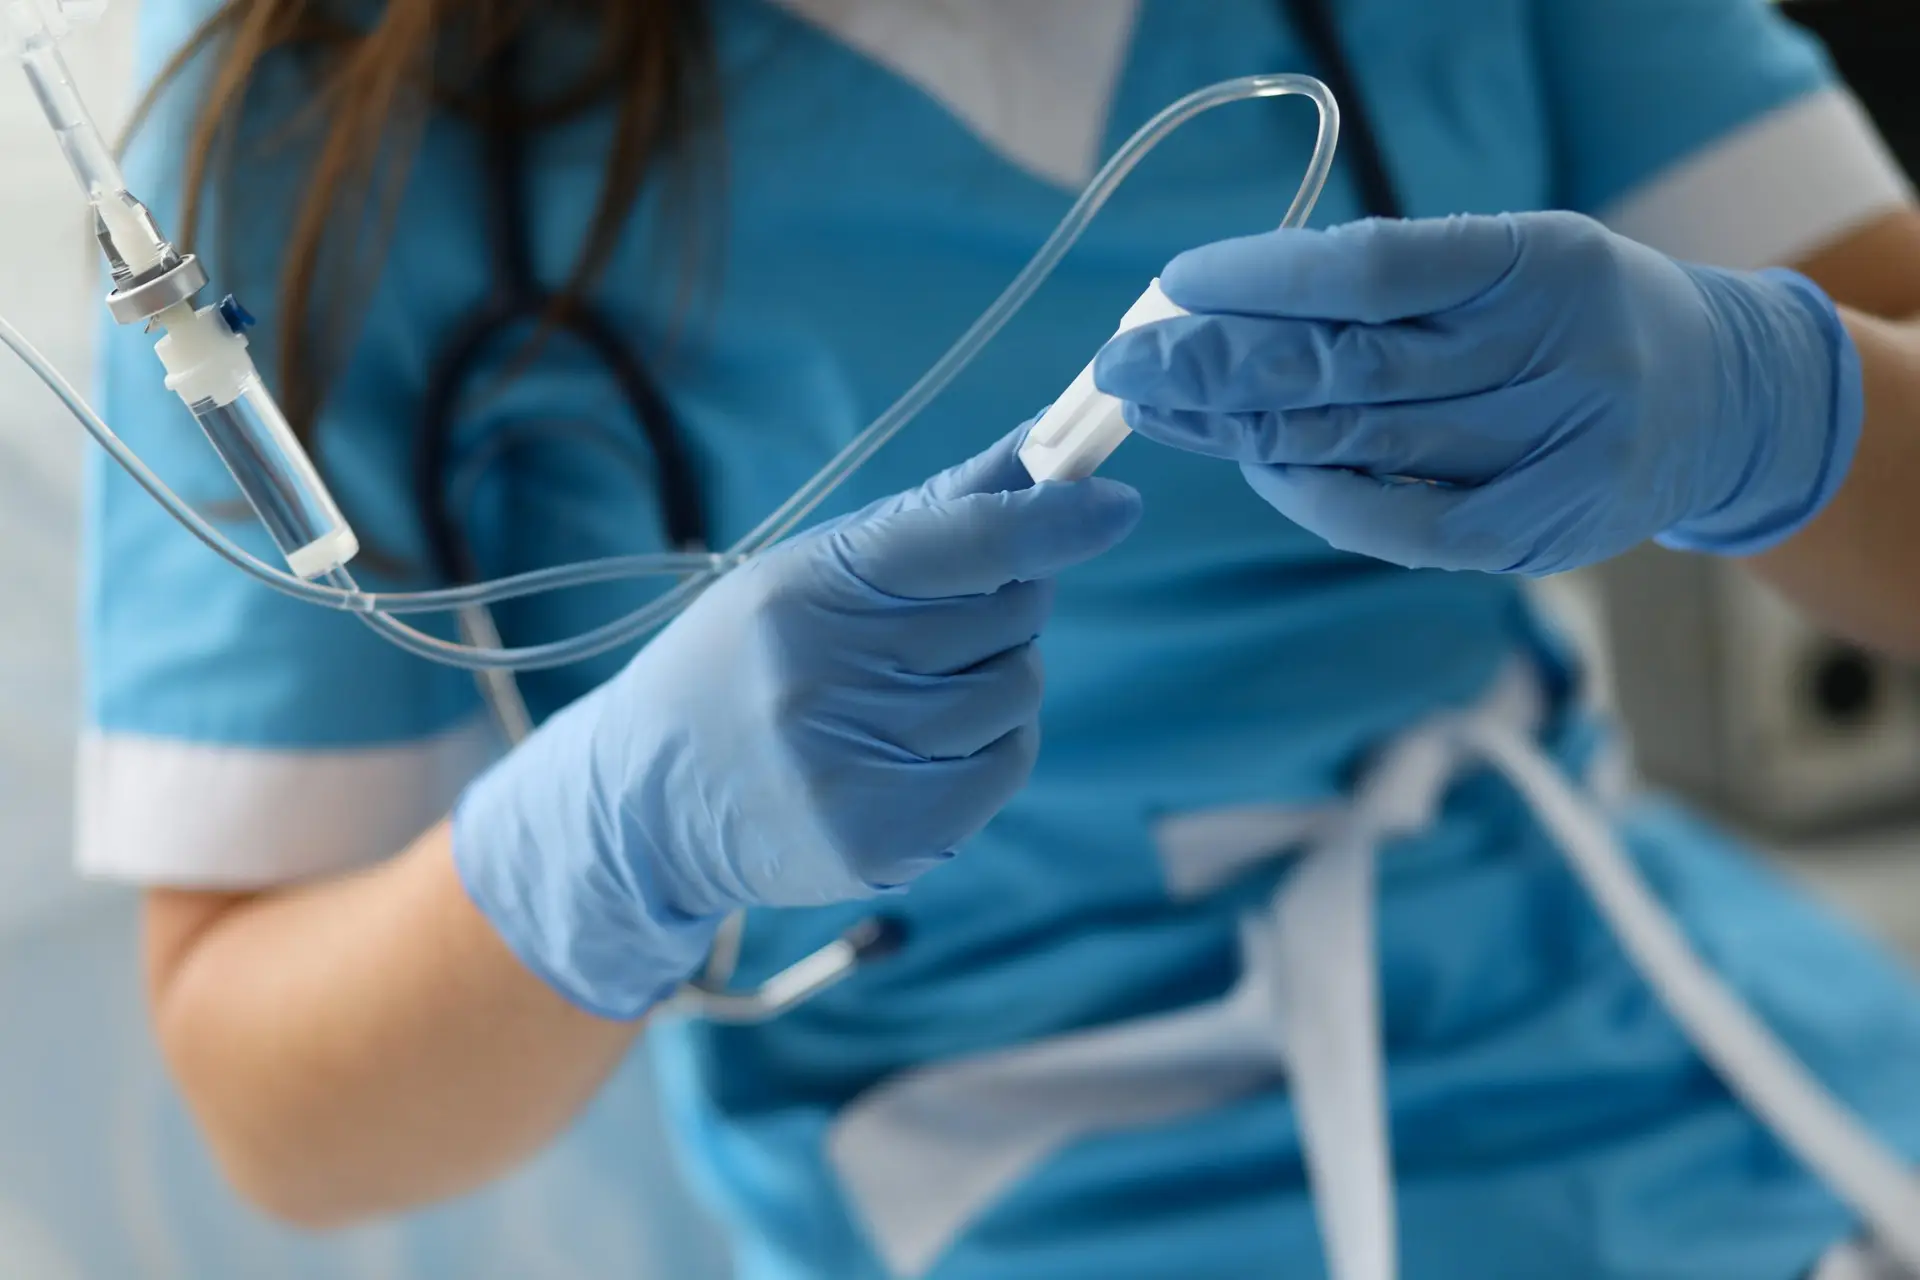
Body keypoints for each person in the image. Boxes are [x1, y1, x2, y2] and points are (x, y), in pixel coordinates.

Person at [75, 0, 1920, 1274]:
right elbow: (277, 1106)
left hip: (1698, 1075)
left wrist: (1773, 405)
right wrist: (607, 842)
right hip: (997, 1210)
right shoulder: (307, 110)